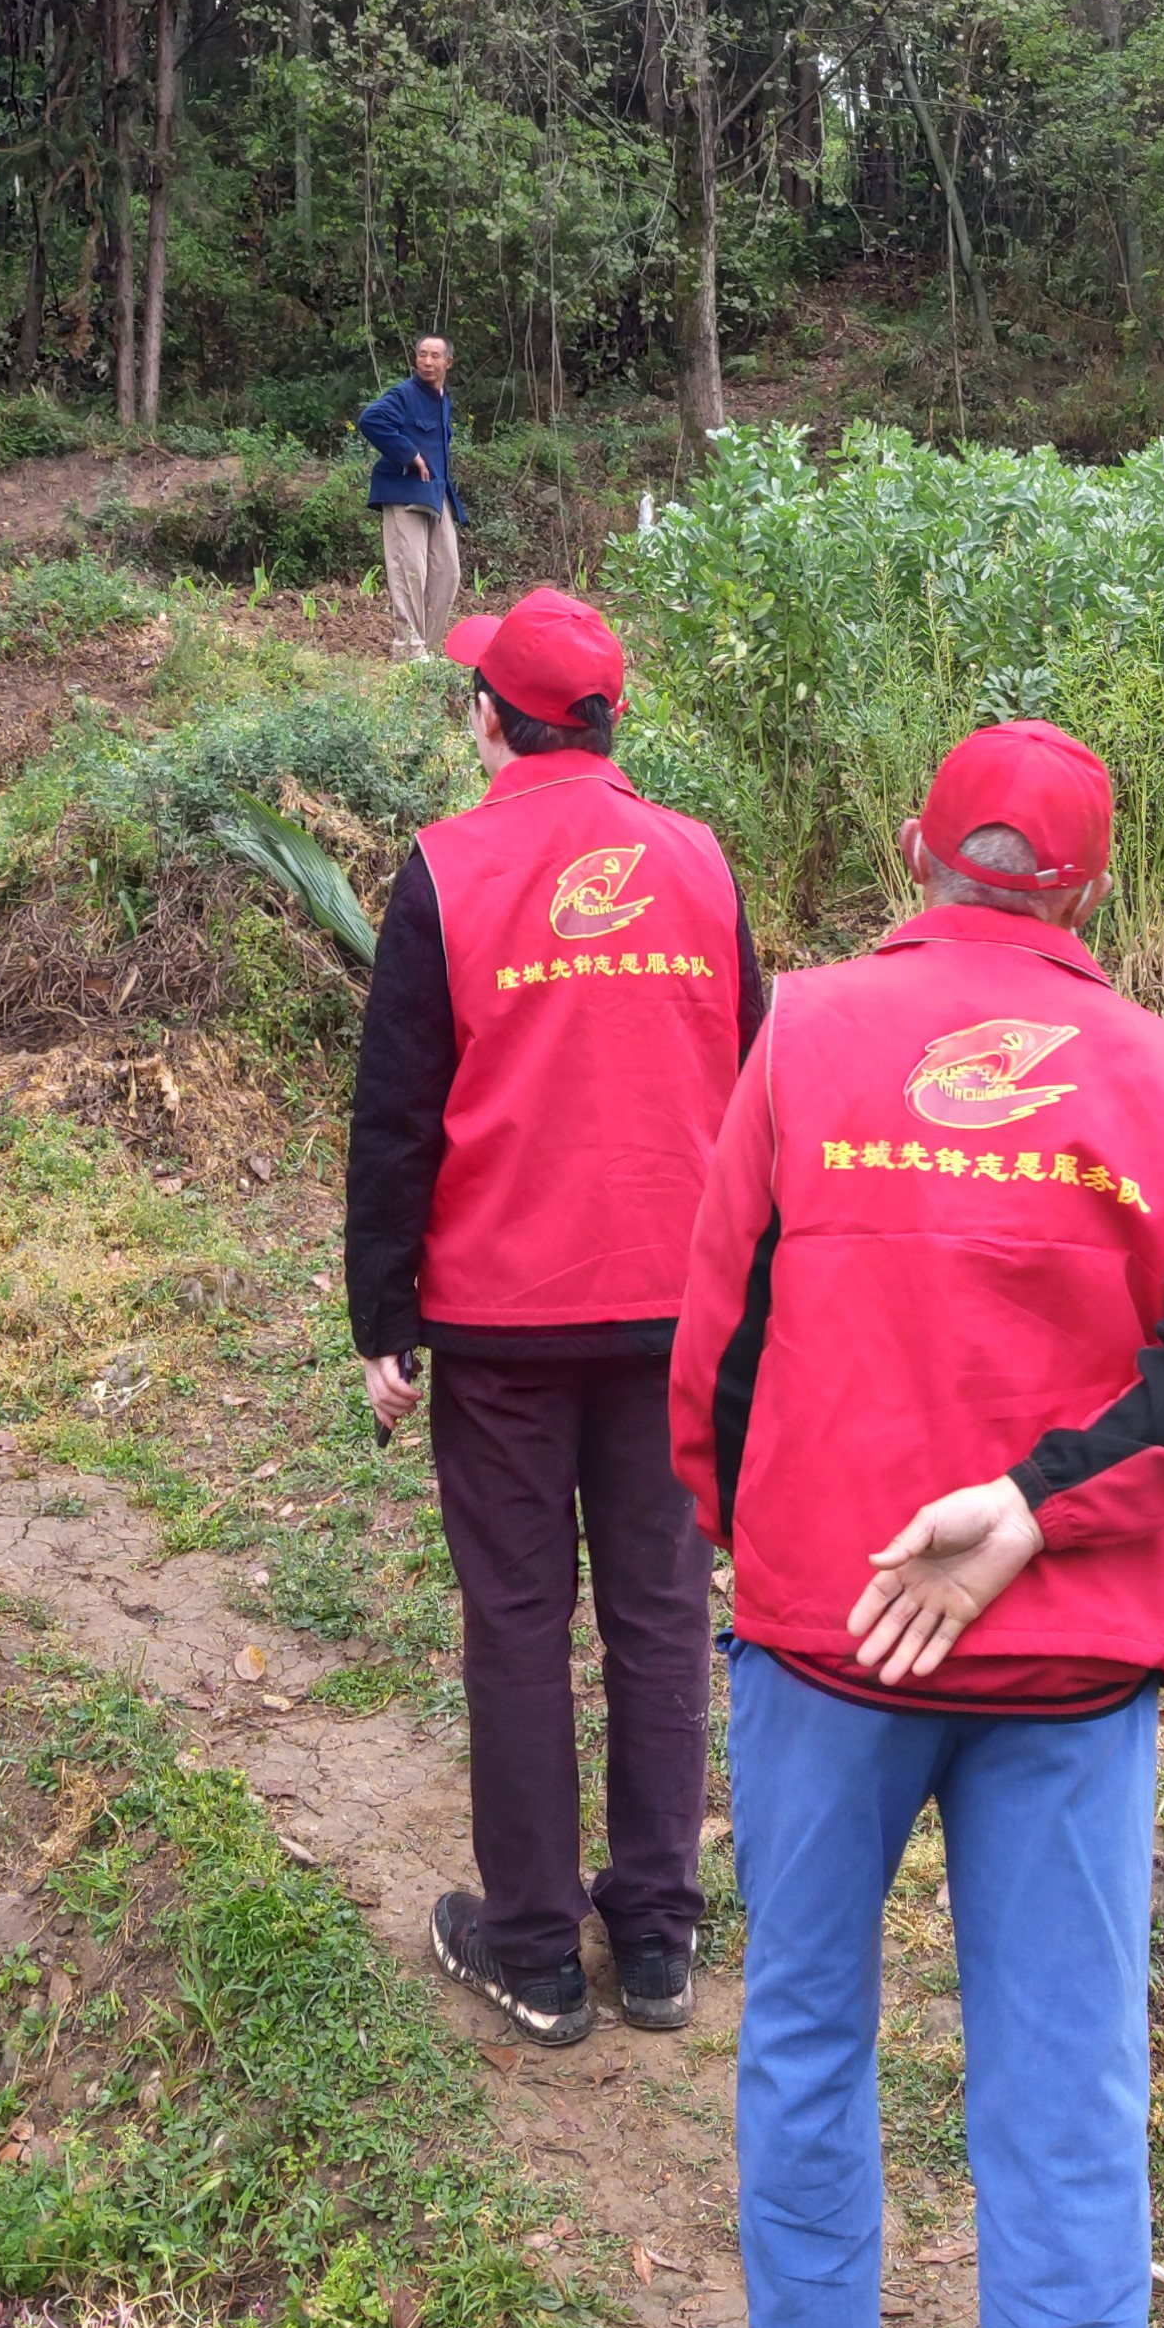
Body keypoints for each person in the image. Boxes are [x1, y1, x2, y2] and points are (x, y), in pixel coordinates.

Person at [666, 719, 1164, 2328]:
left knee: (803, 2031)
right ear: (1088, 888)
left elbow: (717, 1346)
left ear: (917, 847)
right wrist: (1037, 1508)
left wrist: (757, 1547)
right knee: (1066, 2098)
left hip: (829, 1641)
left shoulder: (808, 1031)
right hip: (1072, 1671)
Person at [345, 582, 764, 2045]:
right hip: (676, 1312)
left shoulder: (446, 871)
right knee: (659, 1611)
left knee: (518, 1618)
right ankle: (654, 1938)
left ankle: (532, 1947)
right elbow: (756, 1086)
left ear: (489, 720)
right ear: (610, 718)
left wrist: (381, 1317)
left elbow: (396, 1116)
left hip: (504, 1320)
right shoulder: (701, 864)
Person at [358, 335, 468, 663]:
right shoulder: (404, 394)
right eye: (422, 355)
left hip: (436, 492)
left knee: (448, 571)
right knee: (410, 569)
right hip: (404, 490)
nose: (428, 362)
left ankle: (427, 649)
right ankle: (408, 648)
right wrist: (410, 455)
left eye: (435, 356)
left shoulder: (442, 399)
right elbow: (370, 420)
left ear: (448, 362)